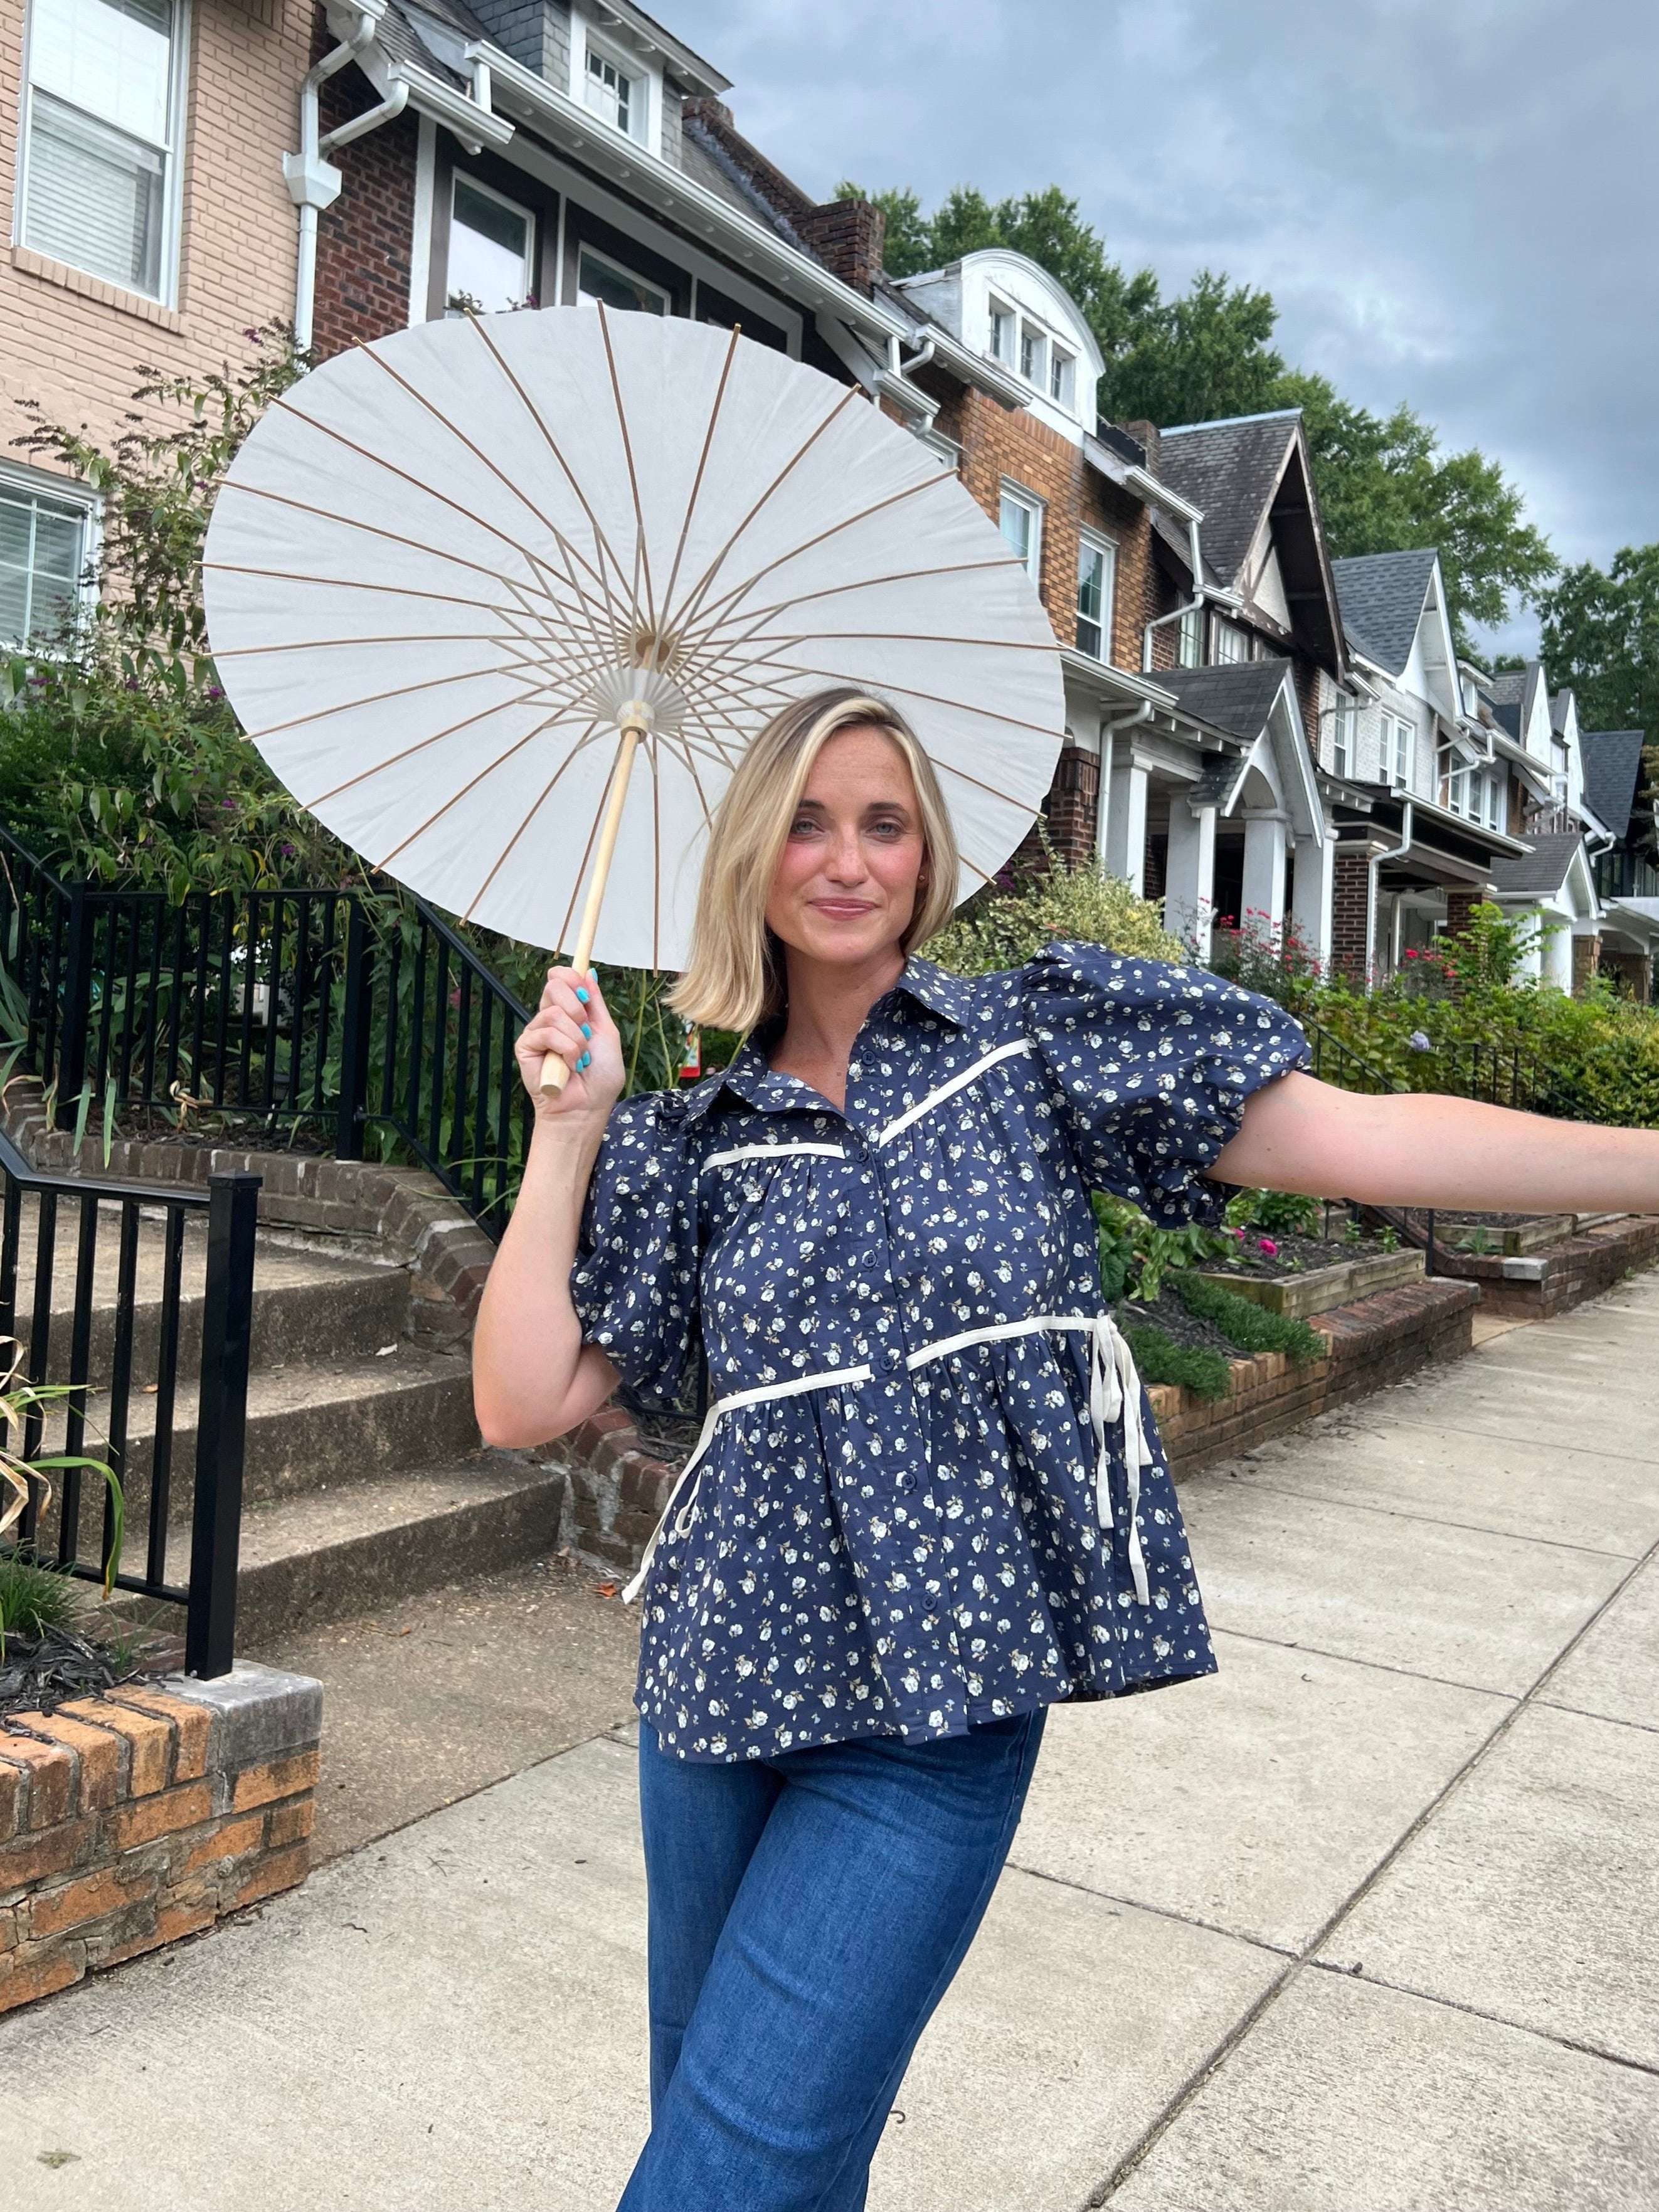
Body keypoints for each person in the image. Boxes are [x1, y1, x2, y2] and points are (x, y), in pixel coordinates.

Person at [472, 686, 1658, 2210]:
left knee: (731, 2173)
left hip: (935, 1709)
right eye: (809, 824)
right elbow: (523, 1400)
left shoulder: (1034, 1041)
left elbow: (1364, 1136)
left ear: (929, 853)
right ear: (752, 856)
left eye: (884, 823)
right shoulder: (694, 1142)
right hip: (714, 1699)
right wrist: (565, 1134)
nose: (847, 860)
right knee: (751, 2147)